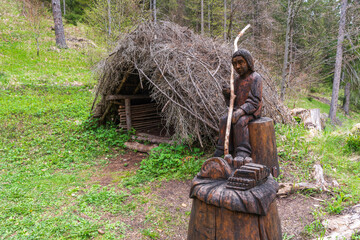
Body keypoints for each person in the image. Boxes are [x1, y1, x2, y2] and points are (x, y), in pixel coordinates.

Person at [214, 49, 262, 160]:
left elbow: (255, 101)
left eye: (241, 62)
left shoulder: (255, 78)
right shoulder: (237, 80)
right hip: (238, 110)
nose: (238, 66)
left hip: (252, 111)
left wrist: (240, 112)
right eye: (235, 64)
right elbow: (233, 101)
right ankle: (223, 147)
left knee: (240, 122)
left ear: (248, 62)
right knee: (224, 120)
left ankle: (243, 151)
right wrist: (228, 95)